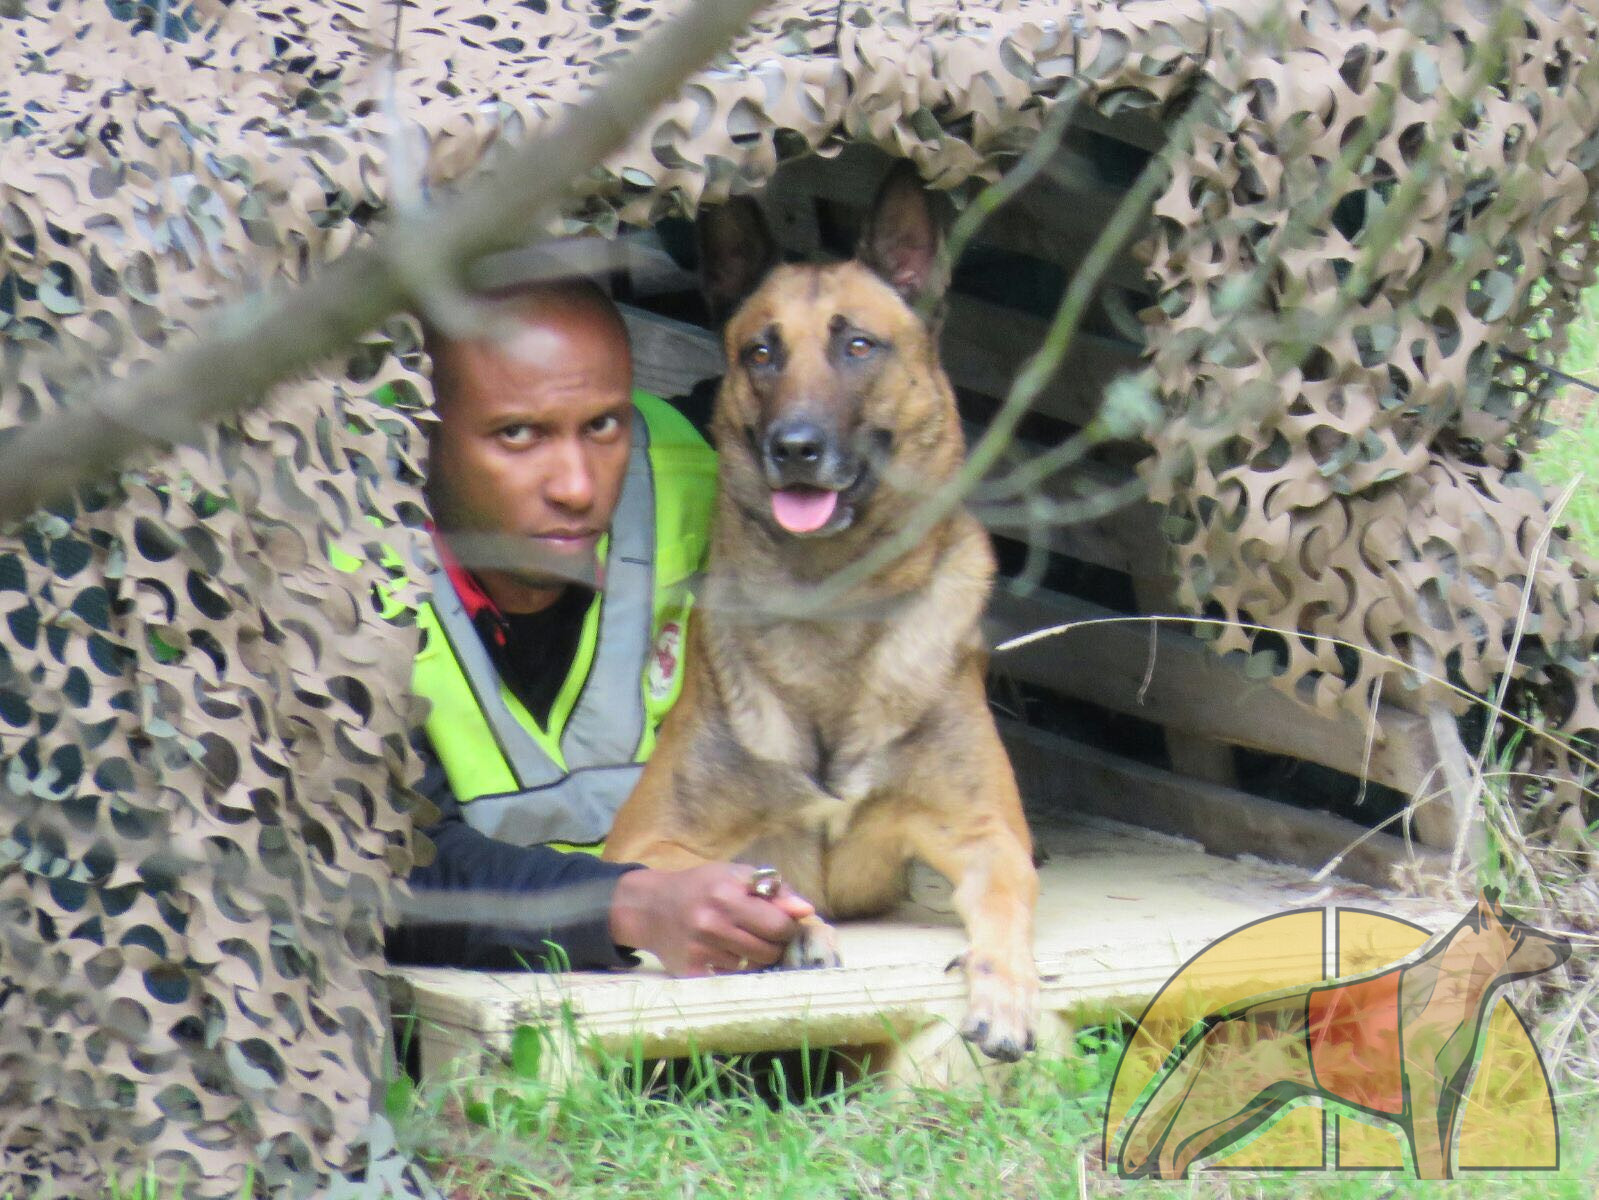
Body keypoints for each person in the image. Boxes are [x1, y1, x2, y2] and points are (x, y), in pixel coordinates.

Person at [385, 280, 811, 977]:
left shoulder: (704, 488)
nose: (577, 486)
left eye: (603, 426)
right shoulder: (336, 569)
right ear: (419, 432)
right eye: (517, 434)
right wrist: (636, 907)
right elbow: (393, 870)